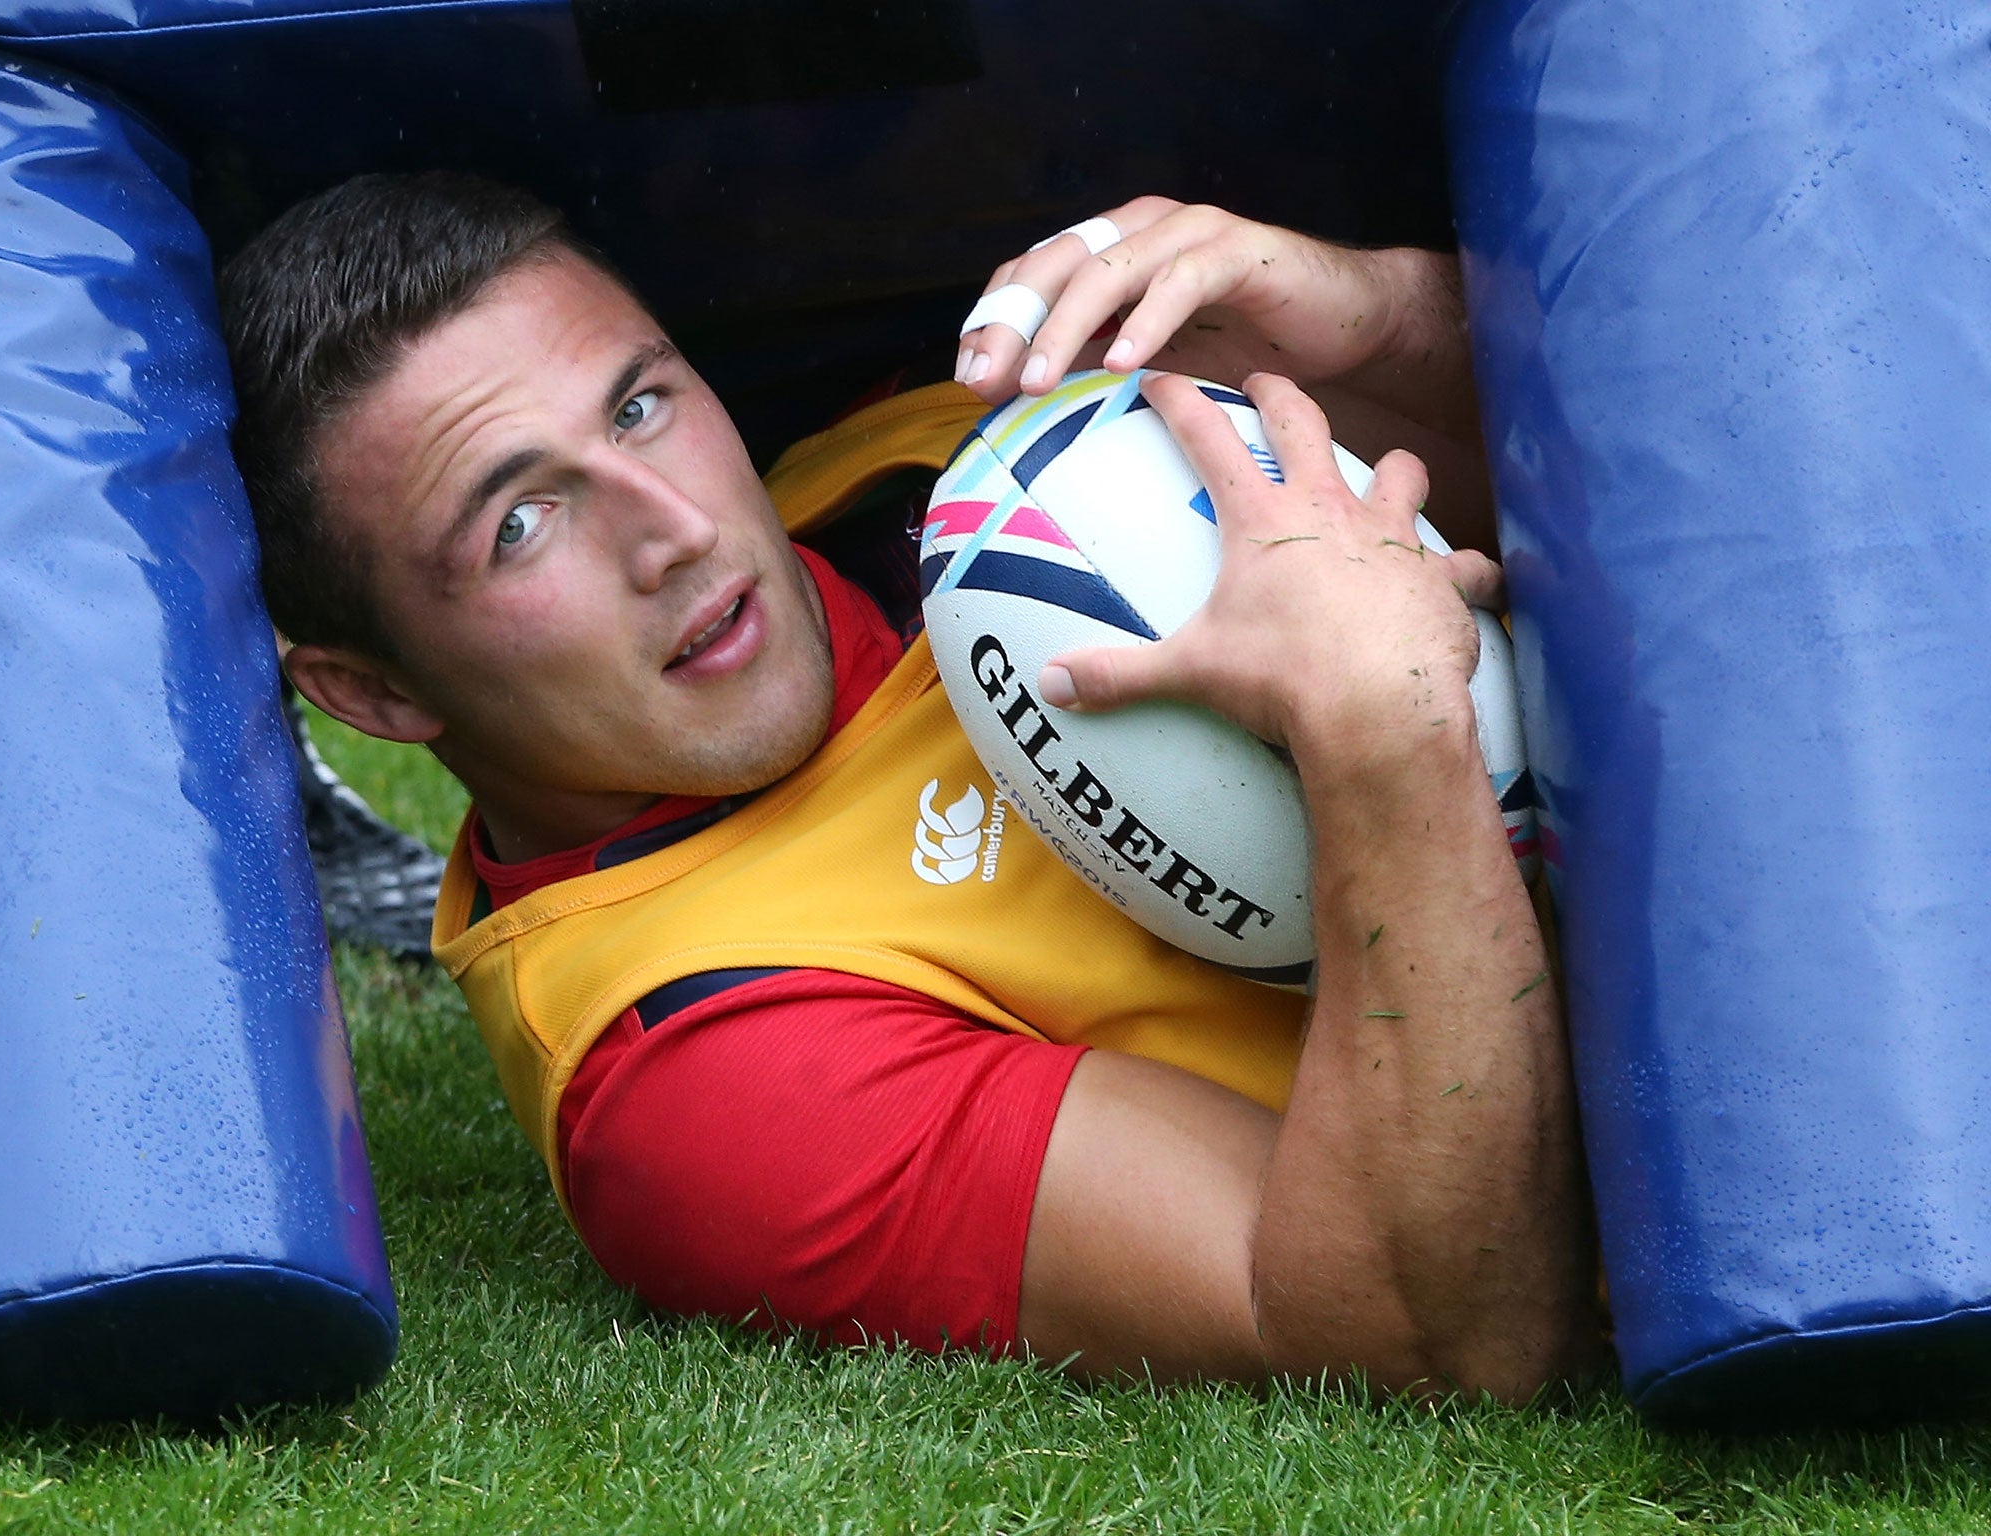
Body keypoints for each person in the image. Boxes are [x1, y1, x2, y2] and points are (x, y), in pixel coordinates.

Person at [219, 174, 1598, 1401]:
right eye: (520, 523)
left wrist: (1372, 318)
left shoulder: (938, 450)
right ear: (379, 696)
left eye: (641, 406)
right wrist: (1385, 734)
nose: (679, 529)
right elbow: (1426, 1328)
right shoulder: (697, 1065)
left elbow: (1665, 441)